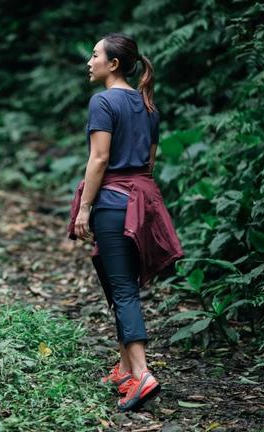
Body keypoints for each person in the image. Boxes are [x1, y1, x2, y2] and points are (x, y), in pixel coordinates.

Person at [72, 32, 183, 412]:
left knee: (122, 290)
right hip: (142, 202)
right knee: (121, 283)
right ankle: (123, 368)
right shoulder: (148, 105)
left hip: (113, 203)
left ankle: (142, 372)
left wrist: (85, 208)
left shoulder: (103, 101)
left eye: (95, 54)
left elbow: (99, 159)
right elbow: (150, 162)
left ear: (113, 64)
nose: (90, 61)